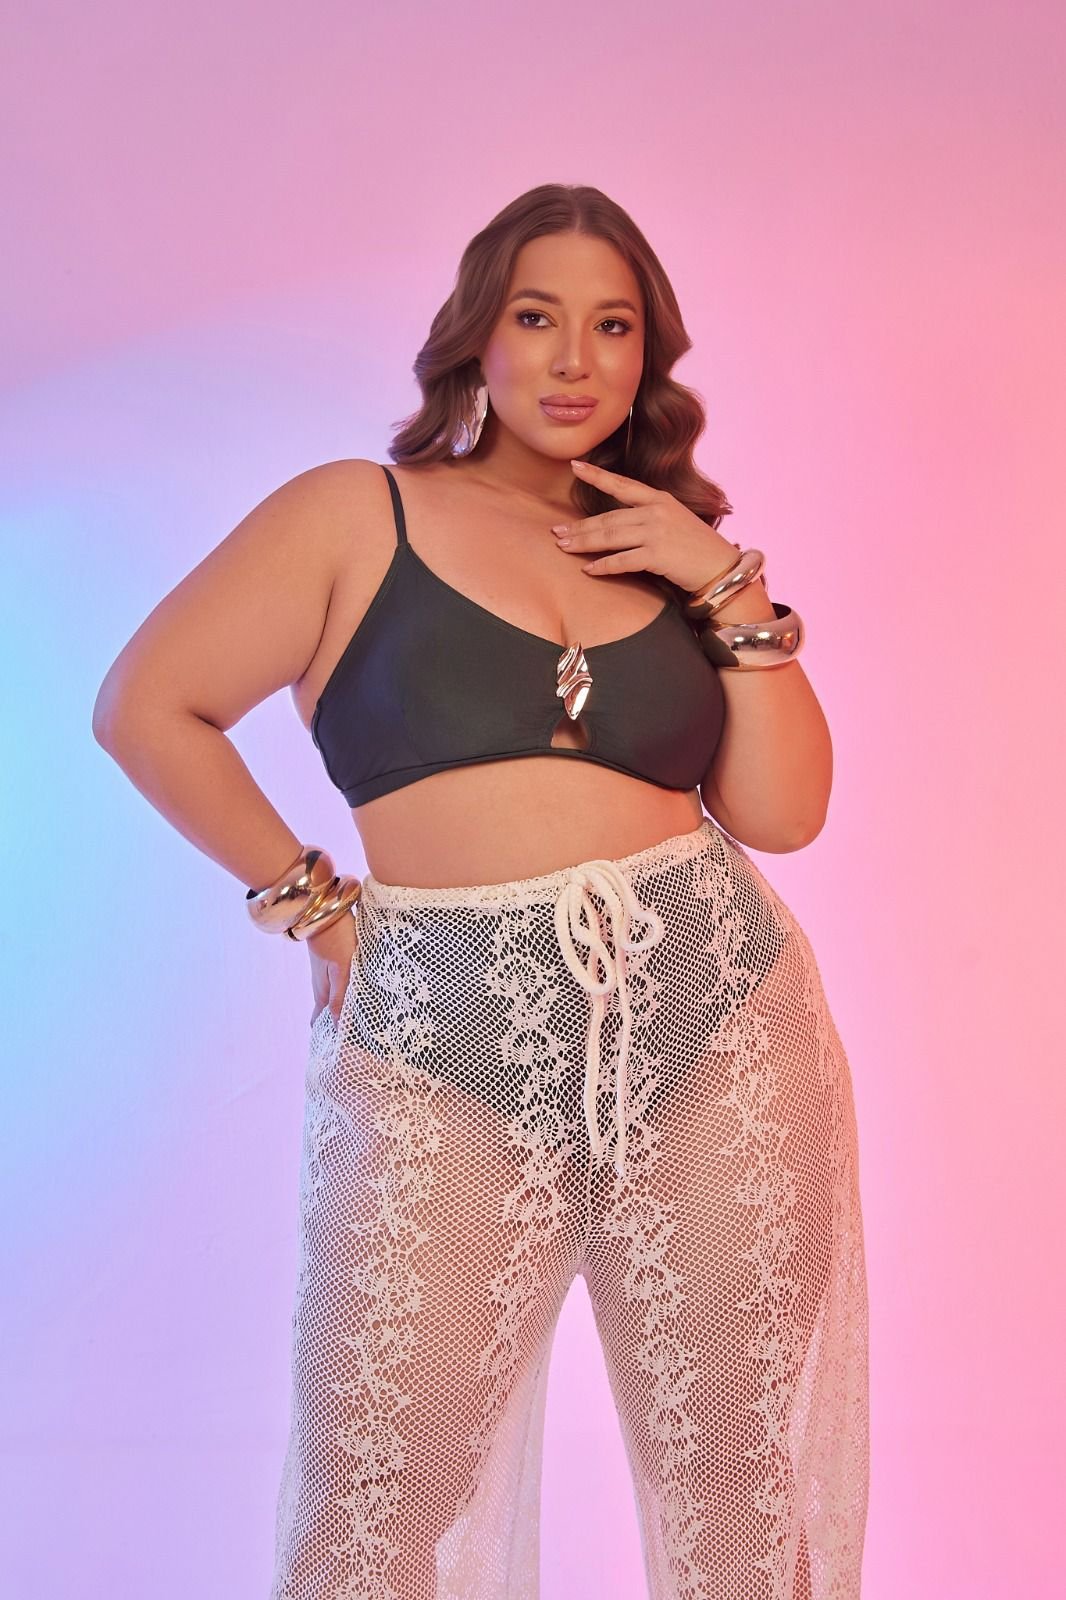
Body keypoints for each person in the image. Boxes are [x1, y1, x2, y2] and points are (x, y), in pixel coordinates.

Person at [93, 183, 869, 1600]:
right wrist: (308, 898)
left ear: (647, 355)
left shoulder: (672, 552)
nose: (574, 360)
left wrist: (724, 581)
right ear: (477, 336)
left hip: (714, 1021)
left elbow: (782, 814)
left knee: (735, 1487)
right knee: (376, 1493)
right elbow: (148, 705)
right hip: (446, 1035)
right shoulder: (355, 513)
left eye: (612, 326)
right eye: (536, 317)